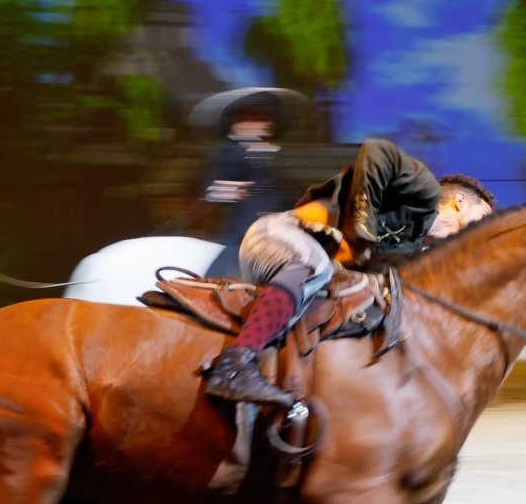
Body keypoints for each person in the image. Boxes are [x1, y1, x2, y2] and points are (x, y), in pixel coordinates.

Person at [205, 138, 495, 406]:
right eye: (483, 218)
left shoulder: (414, 246)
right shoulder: (425, 191)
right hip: (280, 235)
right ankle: (235, 366)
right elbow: (377, 150)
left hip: (299, 274)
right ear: (460, 202)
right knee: (316, 267)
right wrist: (362, 229)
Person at [202, 96, 288, 278]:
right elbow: (210, 190)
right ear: (238, 124)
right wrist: (233, 190)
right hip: (244, 227)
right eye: (256, 118)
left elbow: (281, 188)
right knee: (226, 270)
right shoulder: (229, 152)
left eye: (264, 118)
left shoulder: (271, 153)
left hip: (274, 224)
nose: (265, 123)